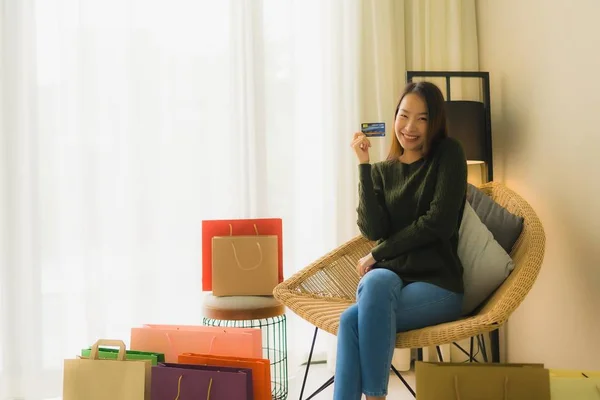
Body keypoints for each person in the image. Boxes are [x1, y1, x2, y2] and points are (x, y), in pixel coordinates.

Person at [334, 81, 468, 400]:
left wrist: (378, 253)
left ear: (434, 122)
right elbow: (371, 228)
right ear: (394, 117)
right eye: (404, 115)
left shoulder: (449, 154)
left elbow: (437, 223)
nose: (409, 127)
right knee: (371, 290)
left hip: (438, 284)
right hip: (391, 281)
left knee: (354, 318)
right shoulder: (382, 172)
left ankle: (375, 396)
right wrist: (364, 166)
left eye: (421, 118)